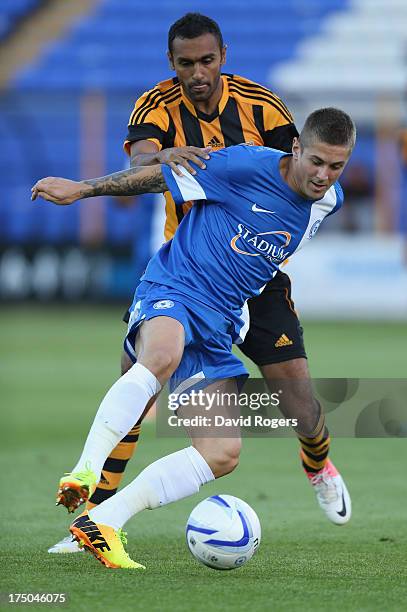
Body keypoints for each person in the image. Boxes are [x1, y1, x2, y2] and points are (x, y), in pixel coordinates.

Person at [47, 13, 348, 555]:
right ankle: (91, 512)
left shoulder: (268, 113)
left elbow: (305, 174)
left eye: (207, 60)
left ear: (223, 57)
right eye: (187, 63)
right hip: (185, 269)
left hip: (252, 287)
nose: (198, 73)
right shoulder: (171, 118)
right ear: (172, 64)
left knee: (298, 403)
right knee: (145, 379)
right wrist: (95, 184)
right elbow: (147, 166)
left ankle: (318, 461)